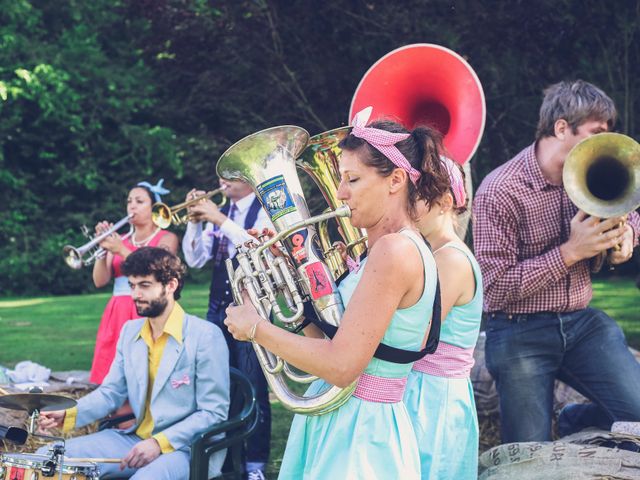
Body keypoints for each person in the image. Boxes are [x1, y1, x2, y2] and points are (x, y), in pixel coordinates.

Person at [224, 106, 451, 479]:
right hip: (343, 423)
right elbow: (327, 340)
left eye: (353, 179)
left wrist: (256, 330)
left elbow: (342, 366)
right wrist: (296, 276)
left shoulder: (395, 251)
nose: (341, 192)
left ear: (395, 180)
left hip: (361, 436)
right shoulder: (377, 252)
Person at [473, 79, 640, 443]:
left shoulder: (594, 170)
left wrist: (626, 238)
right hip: (518, 331)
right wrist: (569, 253)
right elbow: (493, 288)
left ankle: (575, 420)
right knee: (529, 448)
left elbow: (628, 210)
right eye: (596, 132)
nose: (603, 143)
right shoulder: (499, 190)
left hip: (582, 324)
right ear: (562, 128)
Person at [38, 247, 230, 479]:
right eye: (132, 285)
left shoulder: (206, 335)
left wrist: (159, 443)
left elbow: (213, 413)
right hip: (134, 439)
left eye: (145, 285)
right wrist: (69, 415)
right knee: (45, 457)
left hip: (189, 449)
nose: (136, 294)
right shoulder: (130, 332)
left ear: (171, 285)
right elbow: (110, 393)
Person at [182, 178, 272, 480]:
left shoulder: (262, 210)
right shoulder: (217, 213)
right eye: (220, 176)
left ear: (248, 178)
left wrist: (218, 218)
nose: (222, 182)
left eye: (230, 175)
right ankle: (228, 460)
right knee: (219, 384)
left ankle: (255, 464)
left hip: (253, 308)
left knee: (254, 387)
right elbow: (194, 260)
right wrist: (194, 223)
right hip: (217, 308)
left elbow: (254, 246)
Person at [404, 157, 482, 479]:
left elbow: (416, 335)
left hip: (435, 397)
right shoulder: (432, 253)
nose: (407, 209)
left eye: (416, 200)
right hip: (420, 387)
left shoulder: (451, 259)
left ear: (445, 202)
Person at [90, 179, 179, 385]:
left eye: (139, 201)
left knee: (146, 375)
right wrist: (101, 251)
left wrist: (120, 249)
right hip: (117, 311)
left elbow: (155, 272)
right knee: (114, 379)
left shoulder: (167, 238)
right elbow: (99, 280)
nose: (132, 206)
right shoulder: (120, 239)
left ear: (154, 208)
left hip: (149, 308)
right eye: (129, 201)